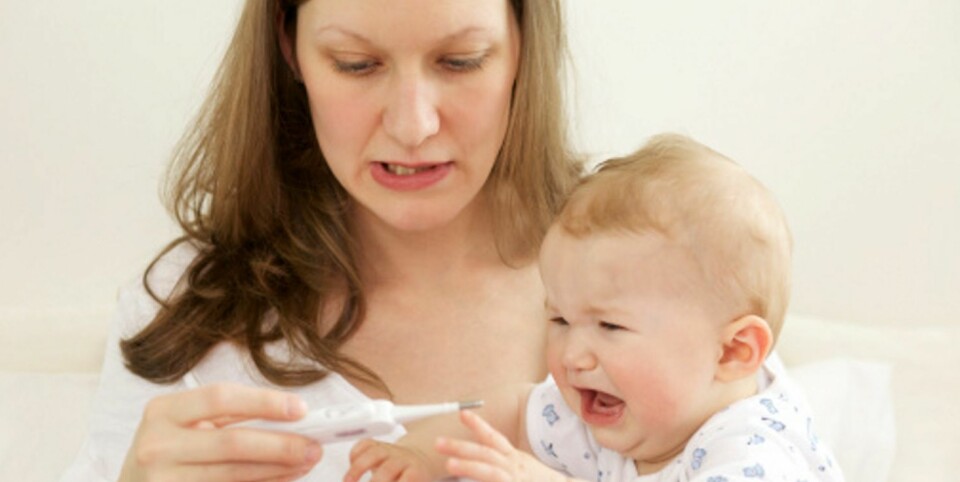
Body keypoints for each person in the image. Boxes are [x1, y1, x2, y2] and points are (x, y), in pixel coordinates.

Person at [61, 0, 582, 480]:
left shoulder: (646, 269)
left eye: (461, 60)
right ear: (290, 49)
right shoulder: (186, 317)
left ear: (523, 48)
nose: (412, 126)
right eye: (356, 63)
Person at [345, 134, 845, 481]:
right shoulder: (624, 416)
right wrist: (418, 455)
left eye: (609, 325)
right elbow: (514, 412)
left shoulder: (753, 449)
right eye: (560, 320)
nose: (571, 355)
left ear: (733, 351)